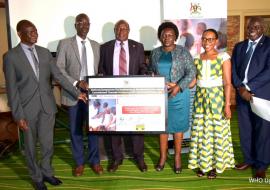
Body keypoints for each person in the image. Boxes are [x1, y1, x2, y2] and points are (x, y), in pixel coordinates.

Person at [3, 20, 87, 190]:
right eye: (30, 32)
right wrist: (18, 115)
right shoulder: (11, 57)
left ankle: (47, 172)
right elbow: (12, 89)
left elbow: (59, 76)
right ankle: (36, 176)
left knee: (48, 144)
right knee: (31, 147)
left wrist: (77, 93)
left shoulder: (44, 53)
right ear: (20, 34)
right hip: (27, 110)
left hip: (48, 107)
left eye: (35, 31)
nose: (35, 34)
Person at [56, 13, 103, 176]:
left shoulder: (96, 45)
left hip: (93, 92)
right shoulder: (64, 44)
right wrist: (77, 83)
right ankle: (79, 163)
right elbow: (59, 69)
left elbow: (99, 70)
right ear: (75, 25)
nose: (84, 26)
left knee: (93, 129)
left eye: (87, 23)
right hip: (73, 91)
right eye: (81, 23)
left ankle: (95, 161)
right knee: (75, 130)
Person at [98, 19, 148, 172]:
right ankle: (117, 158)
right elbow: (102, 69)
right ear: (114, 30)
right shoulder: (105, 47)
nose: (121, 31)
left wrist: (145, 76)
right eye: (118, 29)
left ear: (128, 30)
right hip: (112, 94)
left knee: (136, 127)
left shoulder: (138, 47)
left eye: (124, 28)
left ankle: (139, 157)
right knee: (114, 127)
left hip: (132, 94)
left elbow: (142, 67)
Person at [148, 21, 196, 174]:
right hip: (160, 96)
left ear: (175, 36)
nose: (167, 37)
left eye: (170, 35)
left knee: (178, 127)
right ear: (160, 36)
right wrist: (155, 81)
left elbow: (191, 72)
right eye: (164, 35)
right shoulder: (155, 53)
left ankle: (177, 158)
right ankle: (162, 157)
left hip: (180, 95)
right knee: (162, 128)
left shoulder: (183, 52)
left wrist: (178, 86)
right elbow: (150, 71)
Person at [188, 28, 235, 179]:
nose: (206, 42)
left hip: (217, 101)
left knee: (216, 133)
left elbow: (228, 83)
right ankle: (203, 164)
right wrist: (177, 83)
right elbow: (193, 82)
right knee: (201, 133)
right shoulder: (196, 58)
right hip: (200, 100)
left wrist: (227, 105)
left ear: (216, 41)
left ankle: (215, 165)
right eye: (204, 39)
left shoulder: (223, 57)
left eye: (210, 39)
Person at [232, 17, 270, 179]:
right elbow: (233, 69)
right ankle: (249, 159)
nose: (252, 29)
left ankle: (261, 165)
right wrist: (240, 88)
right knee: (245, 130)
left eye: (256, 26)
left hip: (261, 95)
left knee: (263, 131)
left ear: (263, 28)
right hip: (242, 95)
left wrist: (248, 88)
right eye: (249, 27)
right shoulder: (239, 47)